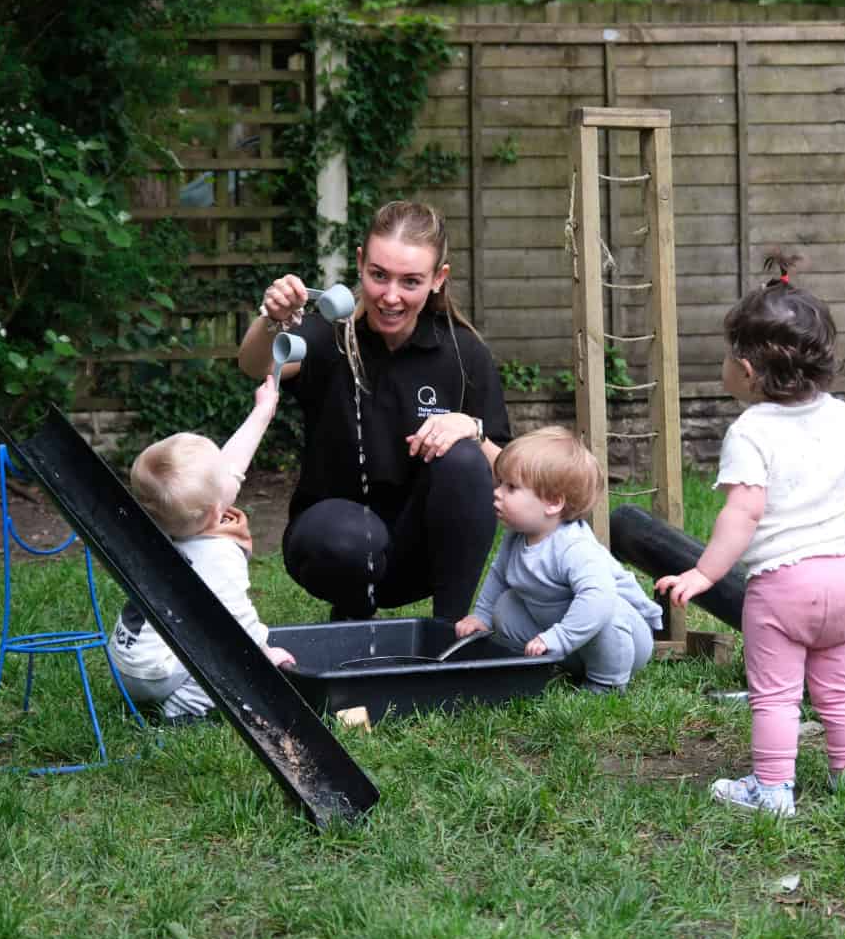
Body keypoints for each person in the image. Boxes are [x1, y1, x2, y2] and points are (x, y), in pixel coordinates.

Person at [656, 255, 845, 817]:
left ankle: (772, 790)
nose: (724, 364)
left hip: (782, 584)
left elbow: (745, 512)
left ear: (749, 370)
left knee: (776, 693)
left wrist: (704, 572)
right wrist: (841, 530)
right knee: (843, 687)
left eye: (728, 354)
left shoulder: (751, 430)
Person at [237, 200, 512, 621]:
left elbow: (509, 475)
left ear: (438, 279)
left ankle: (448, 633)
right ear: (361, 263)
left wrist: (472, 430)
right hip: (331, 542)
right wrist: (273, 319)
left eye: (411, 281)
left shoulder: (464, 353)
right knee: (348, 538)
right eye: (378, 275)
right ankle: (352, 619)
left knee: (464, 457)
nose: (390, 296)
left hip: (421, 554)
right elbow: (255, 365)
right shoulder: (330, 336)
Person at [109, 376, 296, 723]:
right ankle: (183, 710)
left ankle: (165, 696)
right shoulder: (217, 556)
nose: (231, 473)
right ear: (215, 512)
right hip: (157, 673)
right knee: (230, 662)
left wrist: (262, 412)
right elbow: (237, 619)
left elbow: (228, 470)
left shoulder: (160, 525)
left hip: (126, 657)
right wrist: (264, 653)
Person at [455, 425, 661, 693]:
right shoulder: (517, 537)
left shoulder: (574, 547)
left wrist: (560, 636)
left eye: (512, 488)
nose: (497, 492)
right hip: (565, 637)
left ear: (553, 503)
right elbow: (498, 575)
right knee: (505, 607)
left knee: (605, 610)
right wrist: (481, 615)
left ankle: (606, 683)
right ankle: (543, 663)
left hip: (625, 643)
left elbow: (598, 598)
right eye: (500, 483)